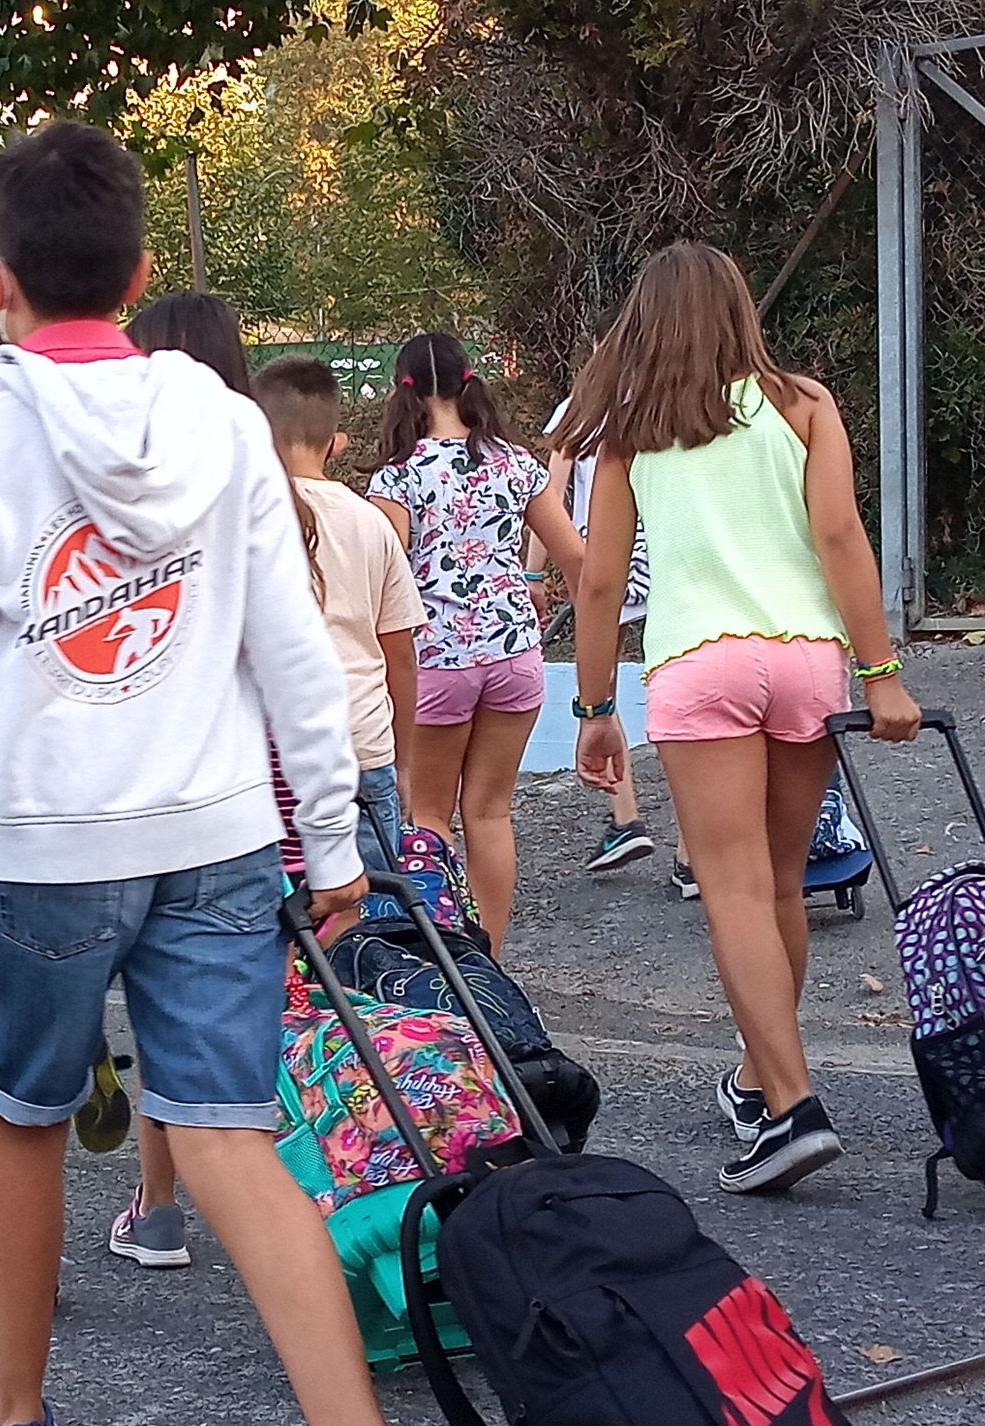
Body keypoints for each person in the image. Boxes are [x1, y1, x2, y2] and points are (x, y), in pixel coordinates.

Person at [0, 120, 392, 1426]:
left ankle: (15, 1414)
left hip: (37, 843)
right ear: (138, 268)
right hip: (218, 829)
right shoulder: (224, 420)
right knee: (230, 1137)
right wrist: (333, 840)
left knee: (20, 1120)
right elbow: (288, 639)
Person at [565, 242, 922, 1194]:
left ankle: (793, 1108)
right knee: (779, 884)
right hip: (806, 659)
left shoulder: (631, 430)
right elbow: (840, 535)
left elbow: (599, 580)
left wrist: (597, 708)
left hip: (698, 665)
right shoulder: (805, 404)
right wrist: (881, 671)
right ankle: (762, 1081)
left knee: (728, 888)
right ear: (738, 311)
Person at [102, 290, 269, 1270]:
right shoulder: (286, 492)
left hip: (187, 799)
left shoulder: (134, 499)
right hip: (281, 790)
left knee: (172, 1017)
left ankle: (158, 1206)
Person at [367, 333, 583, 950]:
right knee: (491, 812)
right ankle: (491, 955)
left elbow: (384, 579)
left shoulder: (396, 479)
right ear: (470, 381)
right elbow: (576, 559)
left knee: (429, 817)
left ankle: (446, 962)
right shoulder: (516, 463)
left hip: (437, 663)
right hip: (515, 655)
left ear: (401, 390)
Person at [527, 312, 695, 887]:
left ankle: (627, 816)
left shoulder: (583, 405)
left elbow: (547, 492)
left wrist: (534, 570)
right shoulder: (671, 398)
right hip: (670, 544)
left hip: (603, 547)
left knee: (602, 679)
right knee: (677, 680)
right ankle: (693, 849)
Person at [253, 355, 424, 875]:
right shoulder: (370, 522)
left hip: (278, 756)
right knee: (375, 922)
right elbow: (401, 657)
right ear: (336, 440)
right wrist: (404, 762)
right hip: (365, 745)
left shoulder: (252, 515)